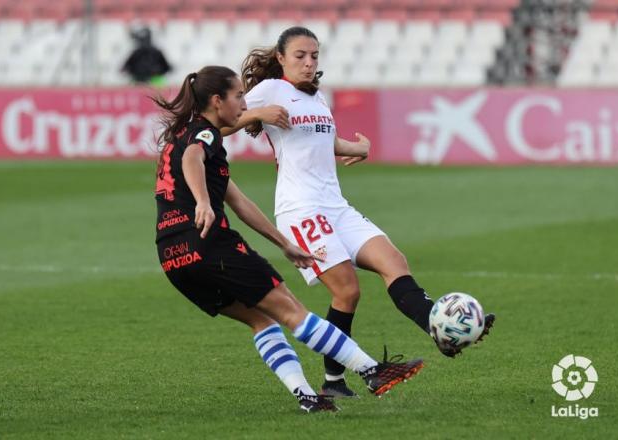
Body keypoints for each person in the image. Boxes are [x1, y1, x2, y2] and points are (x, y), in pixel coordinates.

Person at [221, 27, 496, 398]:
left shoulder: (317, 98)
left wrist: (356, 147)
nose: (308, 62)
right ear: (282, 58)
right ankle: (337, 379)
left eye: (314, 55)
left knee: (394, 262)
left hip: (336, 205)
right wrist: (258, 111)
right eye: (300, 55)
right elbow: (217, 124)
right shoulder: (270, 90)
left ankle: (440, 329)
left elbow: (321, 141)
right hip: (300, 209)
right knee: (347, 290)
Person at [152, 65, 425, 413]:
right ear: (217, 101)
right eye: (237, 96)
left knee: (261, 319)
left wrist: (283, 243)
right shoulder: (204, 137)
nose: (243, 103)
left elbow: (240, 203)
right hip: (209, 243)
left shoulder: (181, 137)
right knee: (292, 310)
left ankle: (308, 397)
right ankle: (372, 371)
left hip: (174, 257)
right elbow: (194, 158)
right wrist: (203, 203)